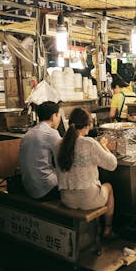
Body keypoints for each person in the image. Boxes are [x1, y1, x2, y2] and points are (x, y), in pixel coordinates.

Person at [56, 108, 117, 238]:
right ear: (88, 125)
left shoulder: (58, 144)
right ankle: (108, 229)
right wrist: (104, 146)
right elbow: (112, 164)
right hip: (88, 200)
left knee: (95, 188)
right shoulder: (89, 143)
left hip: (67, 198)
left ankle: (94, 230)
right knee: (109, 187)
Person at [19, 101, 62, 200]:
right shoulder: (51, 133)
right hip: (46, 190)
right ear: (53, 116)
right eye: (58, 115)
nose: (59, 119)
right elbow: (62, 159)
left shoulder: (29, 133)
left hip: (28, 188)